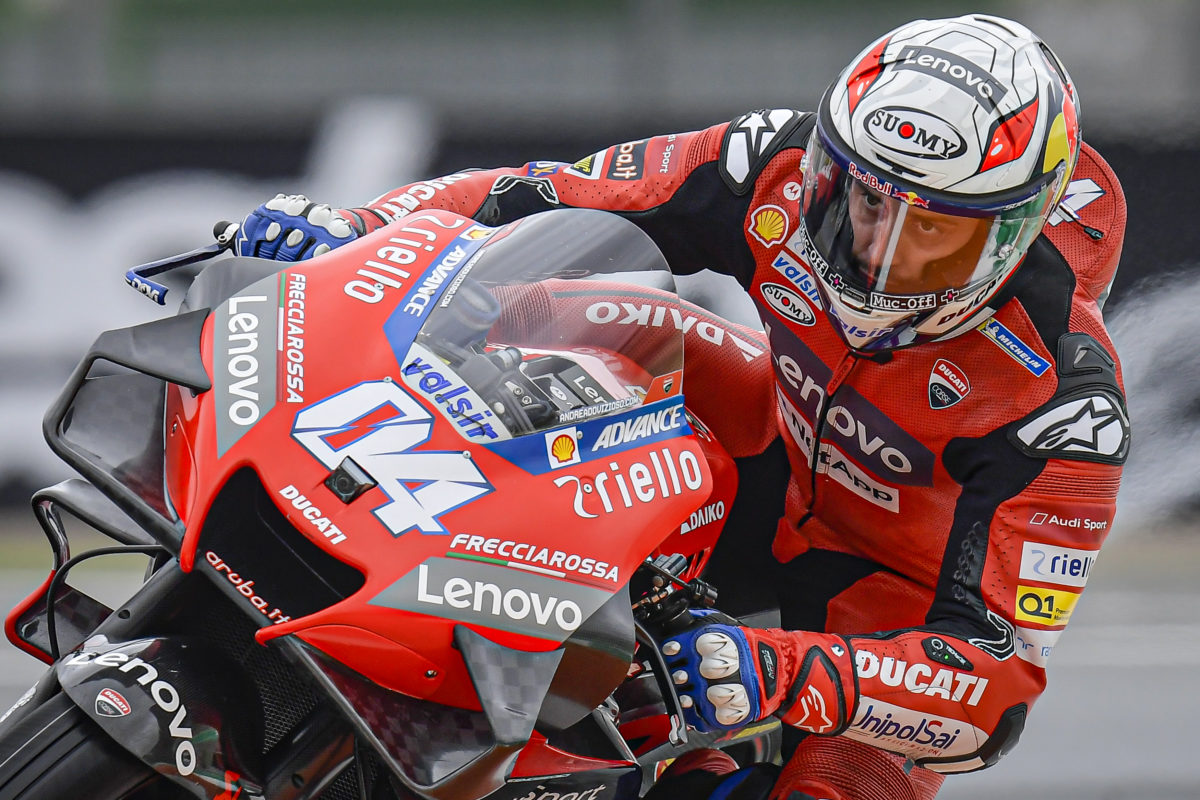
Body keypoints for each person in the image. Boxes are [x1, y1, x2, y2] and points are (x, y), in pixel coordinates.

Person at [226, 14, 1128, 800]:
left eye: (934, 230)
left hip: (884, 617)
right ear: (830, 164)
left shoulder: (1067, 402)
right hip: (766, 455)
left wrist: (781, 672)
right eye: (864, 201)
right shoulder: (770, 163)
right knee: (603, 317)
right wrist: (365, 232)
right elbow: (547, 192)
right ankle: (372, 513)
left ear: (1013, 234)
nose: (879, 257)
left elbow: (996, 691)